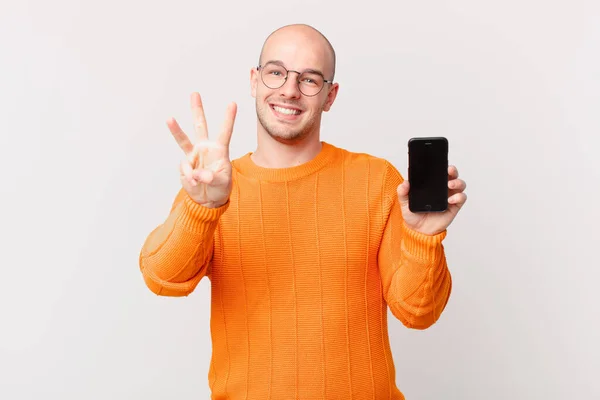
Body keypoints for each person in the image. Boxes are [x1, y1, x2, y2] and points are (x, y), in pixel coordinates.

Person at [139, 23, 467, 400]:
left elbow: (418, 312)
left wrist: (423, 238)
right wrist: (201, 207)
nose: (290, 90)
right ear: (254, 81)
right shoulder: (215, 186)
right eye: (276, 72)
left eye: (310, 79)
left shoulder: (376, 180)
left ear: (330, 95)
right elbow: (161, 278)